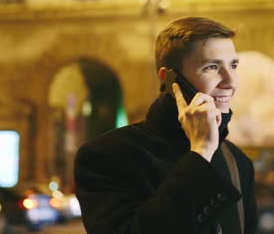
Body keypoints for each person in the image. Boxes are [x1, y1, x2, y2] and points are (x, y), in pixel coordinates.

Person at [74, 16, 257, 234]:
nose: (230, 82)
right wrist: (200, 155)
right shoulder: (105, 156)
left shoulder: (237, 162)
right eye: (211, 67)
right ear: (169, 80)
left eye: (233, 65)